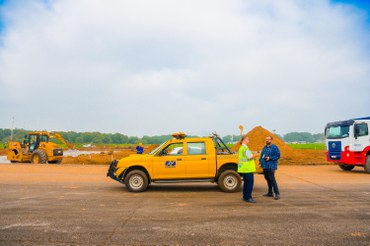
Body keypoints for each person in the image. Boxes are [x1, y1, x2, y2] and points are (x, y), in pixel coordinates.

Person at [238, 135, 259, 203]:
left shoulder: (242, 148)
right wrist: (256, 154)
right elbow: (250, 157)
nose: (248, 140)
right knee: (249, 184)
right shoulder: (245, 148)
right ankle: (248, 197)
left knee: (246, 183)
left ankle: (245, 196)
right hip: (247, 169)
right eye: (248, 139)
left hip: (244, 168)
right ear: (244, 140)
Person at [259, 136, 281, 200]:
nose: (267, 140)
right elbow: (262, 155)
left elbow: (278, 155)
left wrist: (270, 158)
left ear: (271, 140)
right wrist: (260, 161)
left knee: (272, 179)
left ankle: (277, 193)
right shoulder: (264, 147)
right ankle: (270, 192)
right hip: (265, 166)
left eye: (268, 139)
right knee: (267, 178)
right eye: (266, 139)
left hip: (271, 166)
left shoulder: (275, 147)